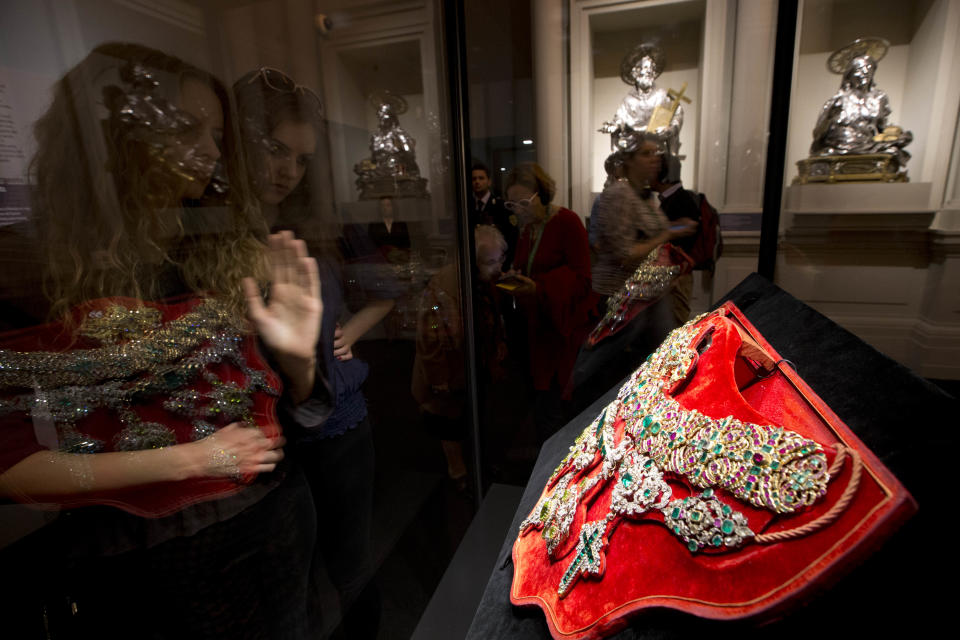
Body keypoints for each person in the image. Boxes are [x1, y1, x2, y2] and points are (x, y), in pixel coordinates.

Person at [0, 43, 320, 637]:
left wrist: (299, 360)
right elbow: (10, 466)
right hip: (143, 553)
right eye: (183, 127)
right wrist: (191, 460)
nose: (209, 150)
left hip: (273, 514)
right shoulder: (30, 264)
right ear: (106, 140)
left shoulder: (220, 244)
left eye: (216, 132)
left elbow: (281, 412)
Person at [235, 66, 394, 638]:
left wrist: (351, 327)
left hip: (340, 428)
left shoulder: (317, 225)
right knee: (289, 587)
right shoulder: (219, 235)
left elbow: (387, 290)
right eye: (276, 151)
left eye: (300, 159)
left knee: (350, 567)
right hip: (268, 443)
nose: (287, 171)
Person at [573, 135, 697, 406]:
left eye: (656, 153)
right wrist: (663, 236)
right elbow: (624, 254)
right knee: (597, 372)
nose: (654, 159)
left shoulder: (644, 195)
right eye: (645, 153)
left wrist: (671, 231)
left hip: (648, 296)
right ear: (628, 160)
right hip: (622, 298)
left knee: (656, 369)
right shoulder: (619, 195)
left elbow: (655, 233)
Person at [500, 163, 596, 441]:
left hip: (564, 326)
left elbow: (583, 279)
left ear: (541, 194)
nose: (518, 210)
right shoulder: (527, 228)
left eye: (523, 202)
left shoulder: (567, 221)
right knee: (542, 402)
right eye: (511, 204)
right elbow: (526, 265)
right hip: (538, 326)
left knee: (559, 402)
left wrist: (540, 288)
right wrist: (514, 278)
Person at [411, 225, 508, 491]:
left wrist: (498, 342)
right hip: (449, 367)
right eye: (491, 262)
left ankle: (477, 462)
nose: (498, 267)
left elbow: (492, 314)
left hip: (473, 362)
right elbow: (429, 337)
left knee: (473, 414)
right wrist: (438, 380)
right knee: (449, 420)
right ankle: (458, 472)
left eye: (500, 259)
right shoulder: (444, 285)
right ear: (473, 261)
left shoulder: (483, 279)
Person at [810, 38, 912, 169]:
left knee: (893, 152)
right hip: (838, 145)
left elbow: (882, 130)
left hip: (868, 145)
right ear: (849, 74)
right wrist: (829, 117)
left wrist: (896, 135)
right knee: (822, 161)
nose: (864, 74)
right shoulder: (837, 101)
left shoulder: (879, 98)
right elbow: (818, 134)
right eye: (859, 70)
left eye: (868, 70)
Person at [600, 44, 683, 155]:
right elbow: (620, 119)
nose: (649, 72)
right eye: (645, 68)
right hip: (635, 149)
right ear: (635, 73)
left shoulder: (663, 96)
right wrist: (614, 126)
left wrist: (670, 129)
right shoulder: (628, 101)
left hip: (656, 149)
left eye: (652, 69)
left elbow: (677, 114)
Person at [471, 162, 518, 265]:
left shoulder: (502, 207)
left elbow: (511, 238)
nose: (477, 182)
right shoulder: (467, 206)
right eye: (474, 179)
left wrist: (505, 264)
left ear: (489, 182)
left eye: (481, 178)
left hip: (496, 262)